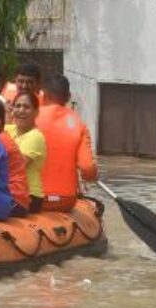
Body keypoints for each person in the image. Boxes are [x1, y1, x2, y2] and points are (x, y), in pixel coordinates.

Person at [36, 75, 98, 212]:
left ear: (43, 95)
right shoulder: (79, 124)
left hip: (33, 199)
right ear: (68, 97)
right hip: (65, 200)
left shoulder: (27, 117)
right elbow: (87, 168)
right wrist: (93, 176)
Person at [4, 92, 46, 213]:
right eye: (18, 106)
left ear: (36, 112)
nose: (21, 110)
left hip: (29, 195)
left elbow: (14, 167)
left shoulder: (35, 137)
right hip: (9, 190)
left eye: (26, 107)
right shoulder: (9, 129)